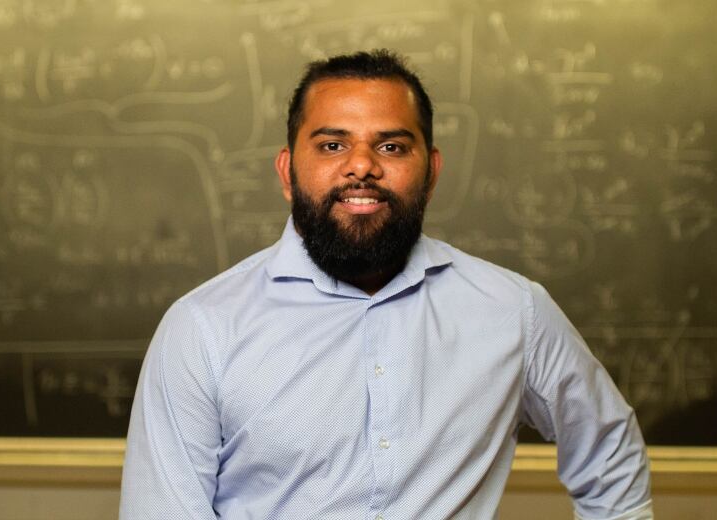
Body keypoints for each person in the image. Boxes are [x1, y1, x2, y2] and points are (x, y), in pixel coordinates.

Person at [120, 49, 653, 519]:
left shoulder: (514, 311)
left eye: (392, 147)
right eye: (331, 146)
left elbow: (609, 450)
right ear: (287, 173)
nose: (361, 167)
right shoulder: (202, 328)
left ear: (432, 171)